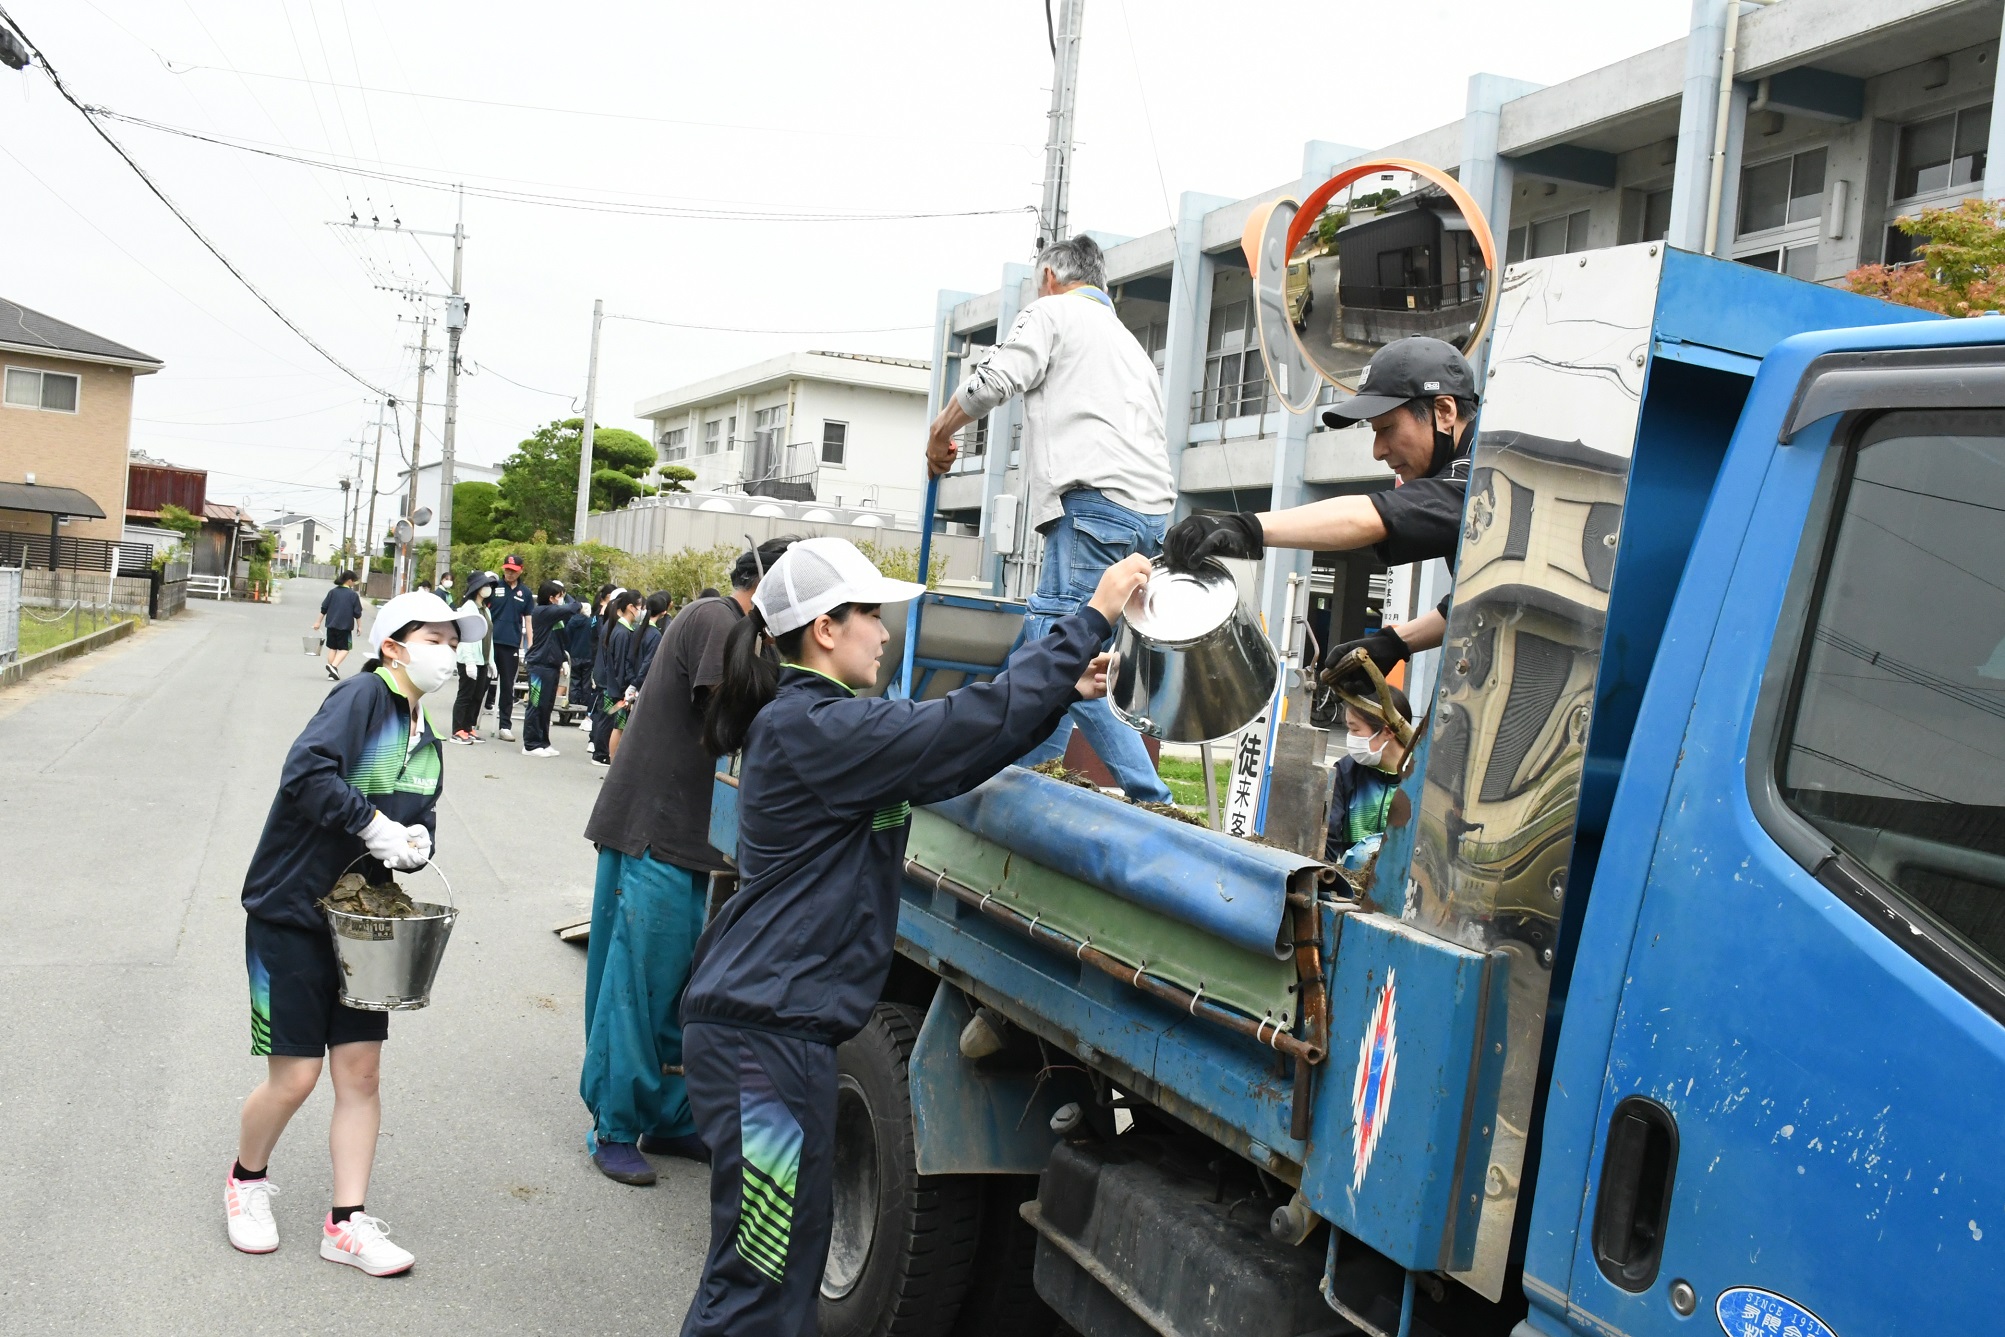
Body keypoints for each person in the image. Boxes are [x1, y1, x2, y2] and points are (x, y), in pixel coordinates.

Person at [673, 538, 1148, 1335]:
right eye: (871, 613)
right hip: (761, 1041)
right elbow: (958, 727)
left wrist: (1057, 687)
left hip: (773, 1030)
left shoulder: (823, 723)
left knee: (781, 1263)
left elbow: (962, 740)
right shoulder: (809, 726)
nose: (886, 630)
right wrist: (1092, 616)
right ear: (825, 628)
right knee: (759, 1273)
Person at [225, 589, 485, 1276]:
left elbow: (421, 805)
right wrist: (370, 823)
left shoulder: (422, 725)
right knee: (296, 1075)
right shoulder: (363, 698)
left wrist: (419, 838)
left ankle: (345, 1222)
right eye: (435, 638)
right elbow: (306, 770)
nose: (447, 653)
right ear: (394, 644)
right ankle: (245, 1180)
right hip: (291, 909)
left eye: (454, 642)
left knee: (361, 1072)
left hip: (363, 921)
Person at [924, 233, 1177, 803]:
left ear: (1047, 278)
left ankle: (1153, 798)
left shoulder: (1052, 312)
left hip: (1092, 510)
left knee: (1064, 653)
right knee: (1047, 652)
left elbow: (993, 381)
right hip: (1150, 518)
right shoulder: (1130, 345)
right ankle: (1011, 776)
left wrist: (940, 433)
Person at [577, 540, 793, 1187]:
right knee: (638, 985)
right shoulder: (715, 621)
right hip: (656, 831)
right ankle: (613, 1125)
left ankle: (667, 1117)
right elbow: (730, 714)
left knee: (673, 985)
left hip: (683, 836)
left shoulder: (740, 632)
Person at [1165, 337, 1479, 683]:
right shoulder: (1469, 474)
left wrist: (1248, 528)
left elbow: (1371, 515)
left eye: (1387, 428)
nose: (1377, 450)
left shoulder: (1487, 467)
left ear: (1445, 411)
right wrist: (1394, 642)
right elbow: (1476, 601)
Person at [1326, 684, 1413, 870]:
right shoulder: (1345, 771)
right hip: (1352, 883)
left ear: (1388, 731)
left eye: (1355, 730)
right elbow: (1329, 834)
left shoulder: (1419, 778)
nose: (1350, 737)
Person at [523, 580, 581, 757]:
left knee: (547, 706)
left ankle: (542, 741)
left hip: (551, 664)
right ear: (550, 598)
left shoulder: (555, 617)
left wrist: (562, 659)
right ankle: (530, 744)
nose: (561, 599)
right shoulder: (543, 611)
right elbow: (574, 607)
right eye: (559, 596)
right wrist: (568, 596)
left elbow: (558, 639)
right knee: (536, 704)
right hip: (539, 664)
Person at [592, 589, 644, 768]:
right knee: (616, 725)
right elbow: (619, 664)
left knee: (614, 723)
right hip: (617, 689)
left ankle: (608, 756)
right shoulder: (621, 632)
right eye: (640, 607)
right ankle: (607, 757)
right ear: (631, 607)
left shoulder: (620, 629)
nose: (642, 611)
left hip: (615, 687)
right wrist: (626, 688)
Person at [487, 554, 535, 743]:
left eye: (513, 570)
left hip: (511, 644)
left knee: (507, 686)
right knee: (483, 683)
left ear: (520, 571)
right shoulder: (493, 587)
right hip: (490, 642)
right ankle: (470, 722)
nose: (509, 573)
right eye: (507, 569)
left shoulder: (526, 593)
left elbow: (529, 621)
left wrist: (530, 645)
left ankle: (505, 726)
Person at [451, 572, 500, 746]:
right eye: (485, 585)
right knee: (465, 694)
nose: (488, 589)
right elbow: (466, 637)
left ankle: (468, 726)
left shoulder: (485, 609)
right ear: (477, 589)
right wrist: (470, 662)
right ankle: (457, 730)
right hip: (469, 660)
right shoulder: (468, 608)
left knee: (478, 696)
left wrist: (491, 661)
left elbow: (489, 637)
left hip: (483, 660)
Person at [567, 584, 614, 735]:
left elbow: (567, 635)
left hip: (575, 655)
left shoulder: (576, 621)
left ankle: (574, 705)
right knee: (587, 684)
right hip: (589, 656)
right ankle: (584, 711)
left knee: (574, 681)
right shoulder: (595, 619)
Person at [312, 571, 366, 681]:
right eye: (354, 581)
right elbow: (357, 613)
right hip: (345, 627)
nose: (354, 583)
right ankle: (333, 667)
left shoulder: (332, 592)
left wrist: (318, 622)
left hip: (331, 625)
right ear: (349, 580)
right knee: (345, 648)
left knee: (333, 648)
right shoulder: (353, 595)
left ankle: (332, 674)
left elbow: (324, 609)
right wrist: (359, 626)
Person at [630, 591, 674, 691]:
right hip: (644, 685)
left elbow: (630, 657)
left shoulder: (637, 628)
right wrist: (636, 683)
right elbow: (648, 663)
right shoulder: (656, 635)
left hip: (634, 681)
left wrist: (632, 681)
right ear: (663, 612)